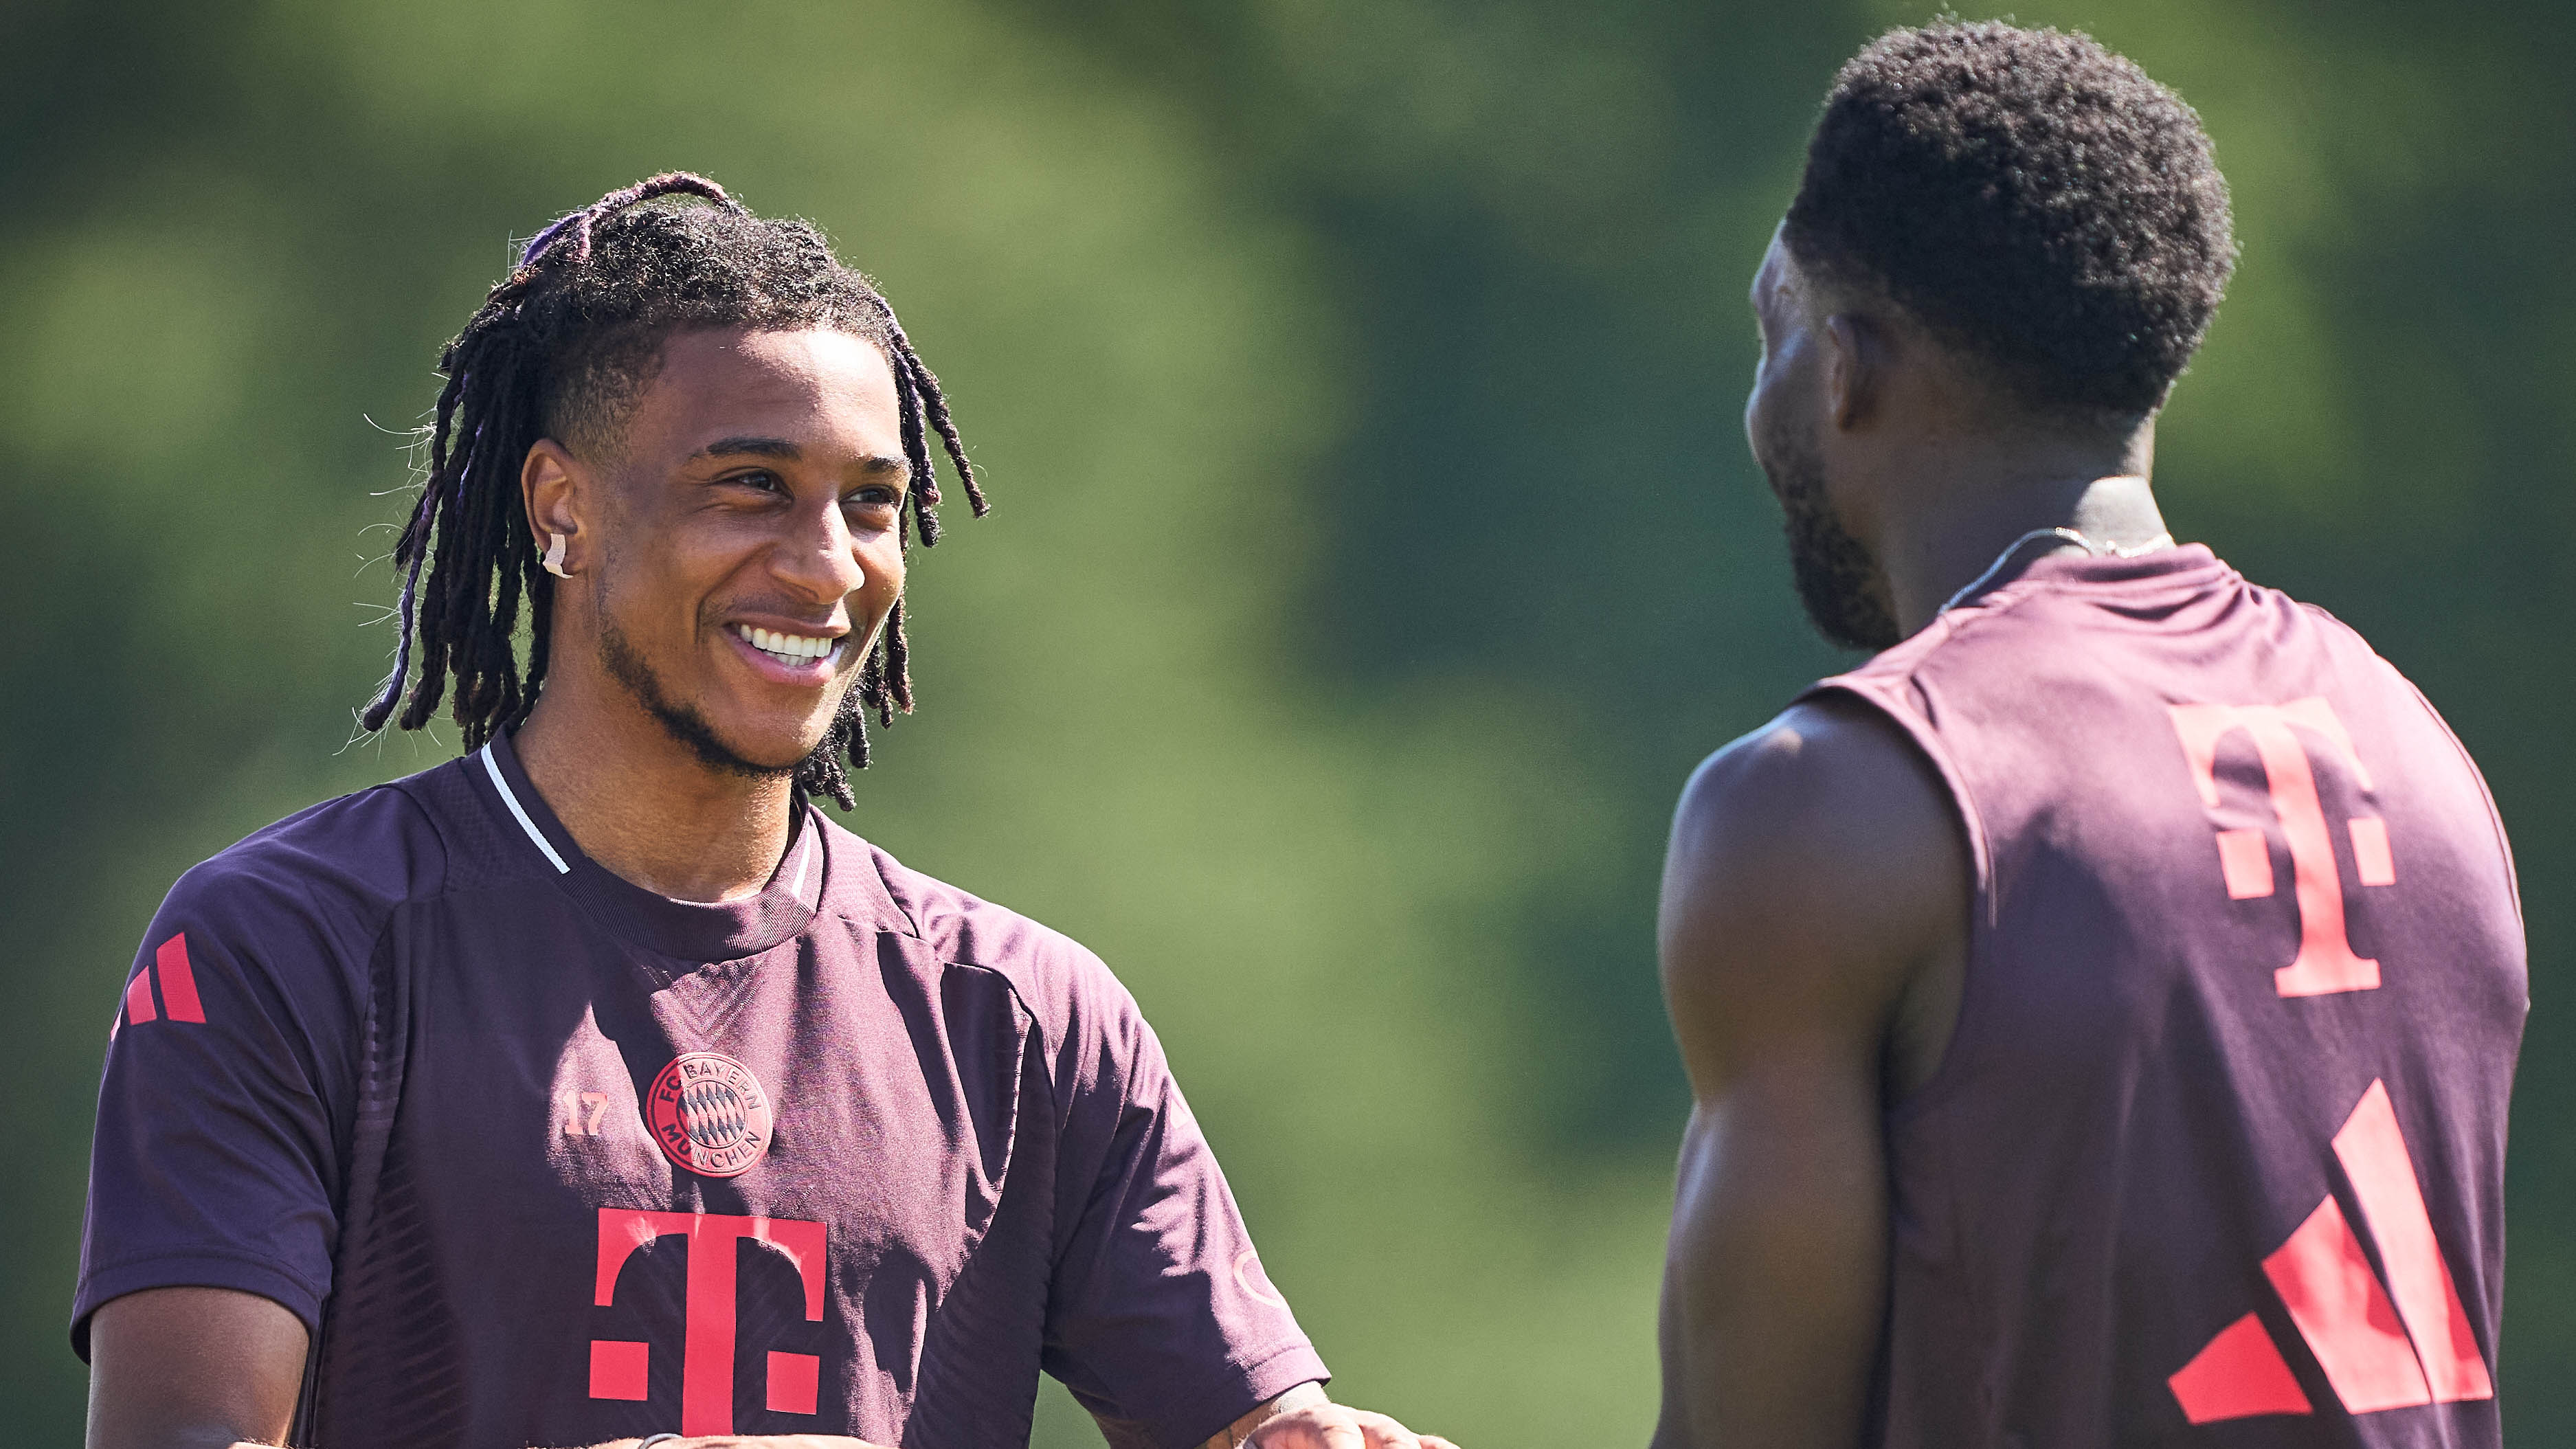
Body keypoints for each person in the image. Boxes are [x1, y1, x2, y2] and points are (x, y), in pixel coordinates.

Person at [77, 175, 1454, 1449]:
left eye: (870, 503)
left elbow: (1246, 1424)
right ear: (563, 507)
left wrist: (1306, 1434)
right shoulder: (289, 942)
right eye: (751, 488)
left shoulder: (1028, 1012)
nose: (823, 566)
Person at [1653, 23, 2522, 1449]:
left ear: (1846, 371)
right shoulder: (2414, 745)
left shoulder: (1832, 808)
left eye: (1774, 332)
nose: (1762, 397)